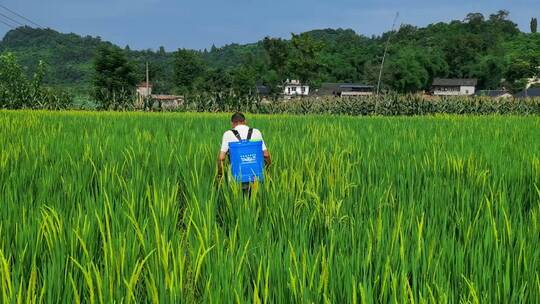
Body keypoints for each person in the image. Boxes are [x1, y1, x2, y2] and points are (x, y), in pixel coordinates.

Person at [217, 112, 271, 192]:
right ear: (245, 121)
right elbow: (266, 155)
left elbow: (221, 158)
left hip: (236, 178)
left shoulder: (227, 134)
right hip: (256, 177)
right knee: (256, 201)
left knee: (238, 201)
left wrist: (219, 175)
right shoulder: (256, 132)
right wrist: (267, 171)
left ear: (232, 123)